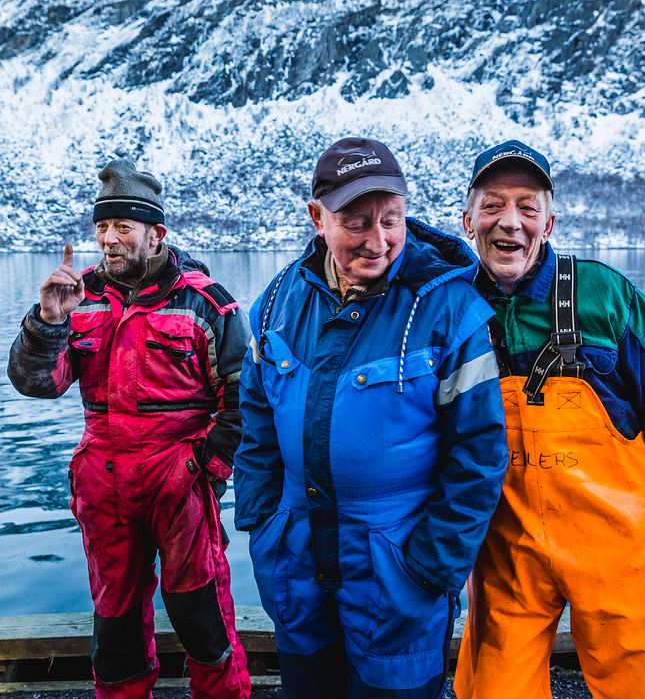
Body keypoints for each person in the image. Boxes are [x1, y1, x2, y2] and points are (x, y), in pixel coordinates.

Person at [453, 140, 645, 699]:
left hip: (618, 555)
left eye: (526, 207)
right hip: (506, 555)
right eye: (491, 206)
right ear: (468, 221)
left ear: (550, 222)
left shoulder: (606, 295)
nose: (508, 222)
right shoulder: (451, 305)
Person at [233, 136, 508, 698]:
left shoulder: (447, 309)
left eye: (391, 219)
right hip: (295, 560)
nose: (378, 240)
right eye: (357, 223)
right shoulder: (276, 303)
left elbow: (479, 455)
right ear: (318, 218)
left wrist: (431, 568)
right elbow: (255, 427)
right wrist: (263, 525)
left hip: (396, 573)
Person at [7, 160, 252, 698]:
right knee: (114, 629)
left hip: (180, 487)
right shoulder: (79, 298)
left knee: (203, 620)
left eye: (123, 228)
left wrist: (203, 469)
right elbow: (36, 384)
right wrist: (47, 322)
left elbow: (244, 401)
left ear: (156, 233)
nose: (109, 240)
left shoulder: (206, 302)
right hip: (103, 487)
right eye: (102, 228)